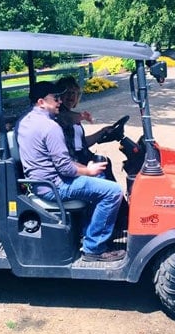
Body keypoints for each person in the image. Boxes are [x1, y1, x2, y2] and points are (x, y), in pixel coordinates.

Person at [16, 81, 125, 262]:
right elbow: (65, 168)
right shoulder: (50, 127)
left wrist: (89, 170)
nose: (60, 101)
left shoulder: (24, 120)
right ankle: (94, 247)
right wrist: (88, 170)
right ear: (41, 102)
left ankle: (87, 231)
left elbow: (63, 160)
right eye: (55, 98)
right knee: (113, 192)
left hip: (40, 182)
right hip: (54, 186)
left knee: (100, 177)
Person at [55, 76, 116, 181]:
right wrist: (82, 116)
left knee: (106, 162)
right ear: (60, 96)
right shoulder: (59, 115)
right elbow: (65, 118)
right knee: (102, 167)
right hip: (73, 159)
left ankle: (117, 196)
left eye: (74, 93)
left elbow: (82, 143)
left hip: (82, 155)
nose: (71, 96)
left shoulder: (73, 117)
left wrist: (102, 132)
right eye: (67, 93)